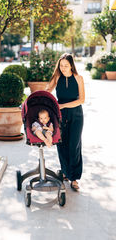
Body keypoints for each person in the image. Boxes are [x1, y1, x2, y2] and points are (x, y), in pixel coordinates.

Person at [46, 53, 85, 191]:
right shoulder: (57, 78)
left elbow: (81, 100)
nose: (63, 68)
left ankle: (74, 178)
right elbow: (47, 90)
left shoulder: (78, 78)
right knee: (61, 144)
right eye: (61, 65)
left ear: (71, 65)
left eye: (66, 66)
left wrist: (62, 105)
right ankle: (65, 172)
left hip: (76, 115)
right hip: (60, 116)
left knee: (74, 145)